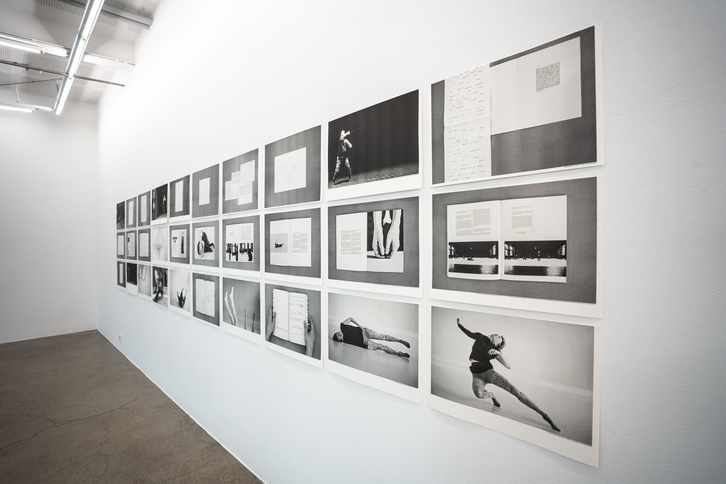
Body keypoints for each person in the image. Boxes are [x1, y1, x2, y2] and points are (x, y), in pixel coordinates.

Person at [456, 318, 560, 432]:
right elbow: (469, 333)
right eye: (497, 334)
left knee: (515, 391)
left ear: (497, 344)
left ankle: (544, 415)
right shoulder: (481, 337)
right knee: (479, 395)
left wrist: (499, 354)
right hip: (476, 373)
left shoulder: (494, 351)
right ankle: (492, 395)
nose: (497, 335)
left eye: (499, 337)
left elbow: (508, 366)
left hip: (488, 372)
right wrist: (460, 326)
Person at [332, 317, 410, 358]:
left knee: (382, 336)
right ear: (340, 340)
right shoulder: (345, 342)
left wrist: (359, 325)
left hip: (364, 332)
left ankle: (400, 340)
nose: (340, 334)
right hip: (365, 343)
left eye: (338, 334)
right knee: (382, 347)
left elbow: (350, 318)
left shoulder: (342, 327)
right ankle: (398, 353)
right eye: (339, 337)